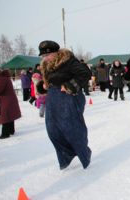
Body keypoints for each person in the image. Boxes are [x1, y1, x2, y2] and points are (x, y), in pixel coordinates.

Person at [38, 40, 92, 169]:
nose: (45, 58)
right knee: (53, 130)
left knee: (72, 128)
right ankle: (67, 154)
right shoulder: (46, 65)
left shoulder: (68, 61)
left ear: (55, 53)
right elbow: (52, 78)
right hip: (53, 98)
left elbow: (85, 73)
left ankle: (83, 152)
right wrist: (44, 85)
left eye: (47, 55)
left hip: (69, 97)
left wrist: (69, 85)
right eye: (43, 56)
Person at [0, 68, 22, 139]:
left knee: (5, 116)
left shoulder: (0, 79)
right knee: (10, 116)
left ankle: (5, 133)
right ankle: (11, 130)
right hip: (8, 100)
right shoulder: (3, 78)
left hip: (6, 100)